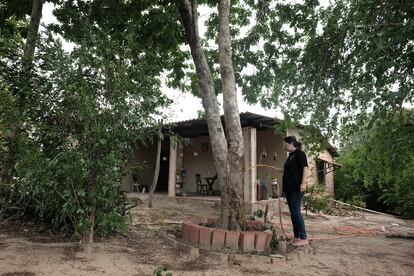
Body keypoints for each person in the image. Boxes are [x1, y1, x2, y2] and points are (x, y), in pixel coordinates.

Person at [282, 136, 309, 246]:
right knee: (293, 213)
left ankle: (303, 237)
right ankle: (297, 236)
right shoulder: (290, 156)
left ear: (291, 143)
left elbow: (305, 168)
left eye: (285, 144)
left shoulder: (300, 154)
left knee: (296, 212)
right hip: (289, 189)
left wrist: (303, 183)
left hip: (296, 188)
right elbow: (290, 171)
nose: (284, 147)